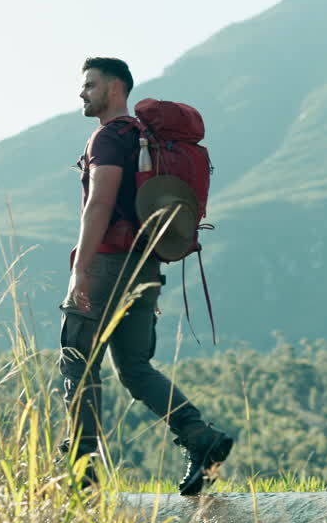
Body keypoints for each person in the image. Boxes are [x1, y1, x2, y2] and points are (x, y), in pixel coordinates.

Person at [58, 56, 233, 496]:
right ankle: (201, 437)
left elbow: (99, 204)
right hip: (145, 266)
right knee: (135, 367)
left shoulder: (108, 138)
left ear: (115, 89)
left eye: (90, 85)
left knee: (78, 362)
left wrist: (81, 271)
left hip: (106, 265)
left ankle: (83, 476)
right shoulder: (143, 139)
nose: (82, 93)